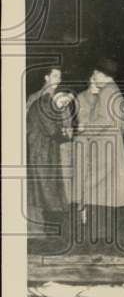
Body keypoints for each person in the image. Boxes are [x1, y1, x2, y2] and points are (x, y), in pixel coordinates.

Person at [72, 58, 124, 219]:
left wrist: (86, 129)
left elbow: (105, 120)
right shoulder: (114, 90)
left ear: (105, 75)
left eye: (96, 73)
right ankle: (96, 220)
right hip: (112, 142)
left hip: (104, 144)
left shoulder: (106, 91)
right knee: (104, 185)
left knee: (95, 182)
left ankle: (90, 219)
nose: (93, 75)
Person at [26, 80, 73, 230]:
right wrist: (72, 135)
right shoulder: (44, 105)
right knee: (46, 192)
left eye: (68, 102)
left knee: (47, 192)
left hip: (46, 152)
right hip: (40, 153)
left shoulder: (50, 105)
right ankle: (47, 231)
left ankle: (49, 230)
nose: (65, 103)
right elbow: (53, 131)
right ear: (57, 94)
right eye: (64, 99)